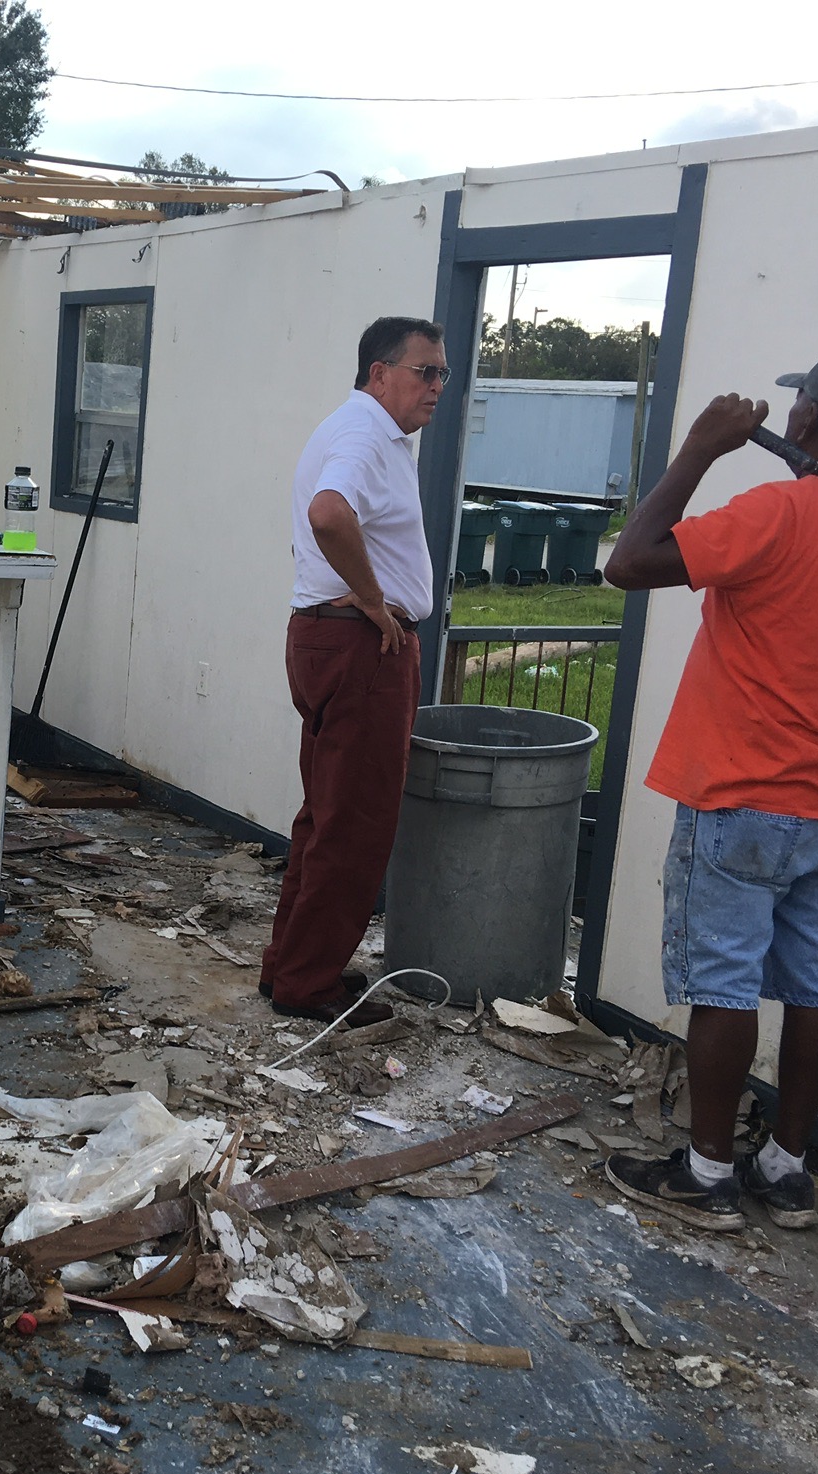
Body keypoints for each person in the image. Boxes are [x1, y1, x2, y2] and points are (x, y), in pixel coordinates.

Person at [601, 343, 818, 1232]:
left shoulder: (781, 509)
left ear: (805, 421)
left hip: (743, 799)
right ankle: (786, 1169)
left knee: (723, 984)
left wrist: (701, 448)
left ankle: (708, 1174)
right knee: (813, 982)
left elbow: (629, 561)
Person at [260, 317, 449, 1026]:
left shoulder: (359, 429)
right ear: (378, 373)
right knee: (356, 822)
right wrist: (374, 601)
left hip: (324, 636)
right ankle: (307, 985)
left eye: (442, 374)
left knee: (324, 815)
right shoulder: (367, 434)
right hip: (360, 646)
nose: (436, 386)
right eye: (423, 371)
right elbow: (328, 513)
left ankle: (290, 964)